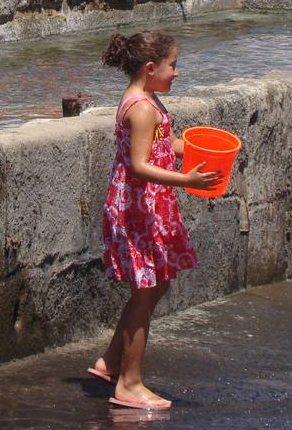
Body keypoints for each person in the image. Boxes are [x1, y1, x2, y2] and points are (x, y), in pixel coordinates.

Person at [90, 30, 221, 411]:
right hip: (137, 208)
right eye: (173, 65)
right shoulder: (142, 108)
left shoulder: (151, 99)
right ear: (150, 68)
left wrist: (202, 149)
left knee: (157, 284)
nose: (177, 72)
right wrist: (188, 180)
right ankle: (129, 384)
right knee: (145, 291)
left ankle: (111, 361)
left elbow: (166, 144)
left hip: (151, 206)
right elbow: (139, 164)